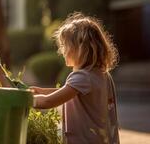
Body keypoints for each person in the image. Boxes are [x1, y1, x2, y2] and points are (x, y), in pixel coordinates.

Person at [31, 12, 120, 144]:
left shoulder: (82, 77)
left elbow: (48, 102)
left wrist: (24, 98)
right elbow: (69, 94)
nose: (61, 51)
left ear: (81, 49)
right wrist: (42, 91)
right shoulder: (101, 74)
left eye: (64, 46)